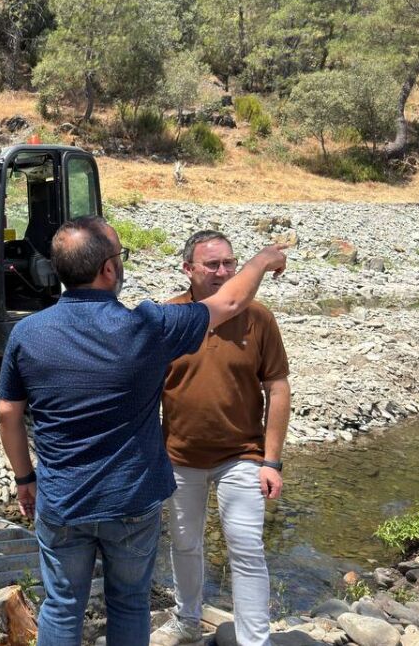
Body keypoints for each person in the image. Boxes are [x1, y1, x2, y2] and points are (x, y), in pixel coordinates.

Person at [0, 216, 287, 646]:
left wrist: (25, 478)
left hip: (63, 500)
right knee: (130, 603)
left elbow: (7, 413)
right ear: (108, 269)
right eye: (120, 256)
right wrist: (262, 259)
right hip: (132, 498)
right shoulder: (149, 326)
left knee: (61, 606)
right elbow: (229, 303)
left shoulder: (26, 333)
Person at [153, 231, 292, 646]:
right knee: (184, 544)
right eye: (211, 264)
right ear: (188, 269)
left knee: (246, 547)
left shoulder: (258, 317)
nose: (222, 271)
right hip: (179, 456)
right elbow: (146, 390)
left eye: (229, 263)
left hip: (242, 455)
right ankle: (188, 620)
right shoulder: (170, 317)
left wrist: (272, 461)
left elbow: (278, 388)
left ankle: (254, 640)